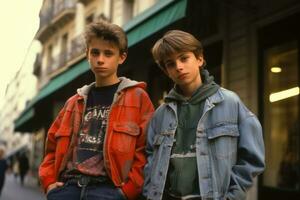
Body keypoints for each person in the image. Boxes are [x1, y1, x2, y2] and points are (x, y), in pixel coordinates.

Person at [143, 30, 265, 200]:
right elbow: (150, 158)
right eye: (170, 64)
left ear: (199, 59)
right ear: (166, 71)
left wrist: (233, 195)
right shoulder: (160, 114)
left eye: (184, 58)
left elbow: (252, 158)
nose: (178, 66)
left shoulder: (230, 102)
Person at [39, 20, 154, 200]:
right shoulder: (73, 102)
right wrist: (49, 184)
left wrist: (127, 192)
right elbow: (51, 146)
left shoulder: (137, 97)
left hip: (108, 190)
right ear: (87, 55)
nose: (100, 59)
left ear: (121, 57)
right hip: (68, 188)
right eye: (95, 53)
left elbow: (146, 150)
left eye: (108, 53)